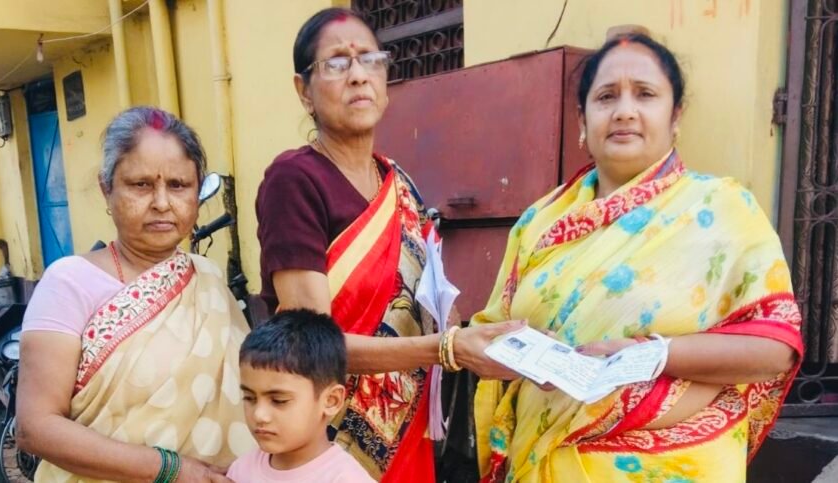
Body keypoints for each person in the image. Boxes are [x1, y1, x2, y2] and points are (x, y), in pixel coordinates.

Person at [472, 33, 803, 482]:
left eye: (645, 94)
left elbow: (774, 347)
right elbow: (491, 333)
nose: (624, 111)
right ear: (582, 119)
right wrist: (529, 355)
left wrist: (650, 355)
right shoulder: (539, 221)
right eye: (606, 96)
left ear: (675, 115)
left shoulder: (721, 209)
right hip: (541, 460)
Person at [255, 8, 523, 481]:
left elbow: (434, 305)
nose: (358, 75)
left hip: (408, 427)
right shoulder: (294, 180)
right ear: (304, 90)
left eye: (370, 60)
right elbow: (312, 344)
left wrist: (497, 338)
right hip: (332, 439)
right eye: (337, 63)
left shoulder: (398, 184)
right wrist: (448, 349)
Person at [17, 107, 255, 482]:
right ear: (106, 188)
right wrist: (171, 470)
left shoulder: (206, 279)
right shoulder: (69, 283)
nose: (161, 202)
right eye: (141, 185)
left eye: (178, 185)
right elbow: (36, 427)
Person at [228, 309, 375, 482]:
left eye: (279, 400)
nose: (259, 415)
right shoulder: (242, 469)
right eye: (249, 398)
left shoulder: (345, 479)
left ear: (331, 400)